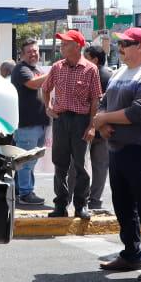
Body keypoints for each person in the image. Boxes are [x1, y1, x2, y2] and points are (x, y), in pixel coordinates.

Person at [88, 28, 141, 281]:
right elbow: (104, 101)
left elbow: (140, 111)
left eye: (126, 43)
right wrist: (101, 123)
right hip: (118, 147)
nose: (121, 47)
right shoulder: (121, 72)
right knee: (123, 206)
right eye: (120, 43)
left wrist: (104, 118)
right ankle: (132, 254)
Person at [27, 29, 103, 219]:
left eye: (66, 43)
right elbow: (45, 89)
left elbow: (95, 99)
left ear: (77, 46)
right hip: (61, 120)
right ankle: (60, 204)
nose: (62, 46)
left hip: (81, 120)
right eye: (61, 43)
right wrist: (48, 107)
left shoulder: (90, 69)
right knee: (59, 164)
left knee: (81, 165)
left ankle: (81, 205)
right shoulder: (57, 67)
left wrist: (92, 126)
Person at [9, 40, 49, 207]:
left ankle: (21, 190)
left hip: (39, 123)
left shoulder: (36, 69)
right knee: (25, 161)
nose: (33, 54)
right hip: (27, 125)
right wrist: (55, 71)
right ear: (22, 54)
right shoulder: (21, 69)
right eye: (30, 51)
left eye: (36, 51)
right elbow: (33, 84)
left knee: (29, 161)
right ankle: (26, 193)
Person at [83, 44, 115, 212]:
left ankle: (78, 199)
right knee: (100, 167)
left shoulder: (88, 73)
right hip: (104, 128)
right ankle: (95, 201)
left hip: (87, 127)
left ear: (95, 60)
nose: (82, 60)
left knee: (78, 166)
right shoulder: (112, 76)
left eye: (85, 57)